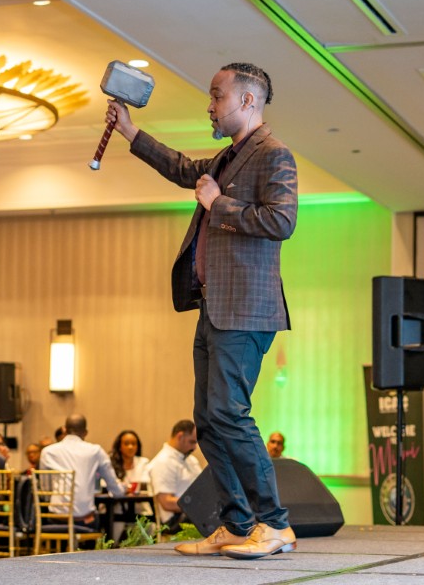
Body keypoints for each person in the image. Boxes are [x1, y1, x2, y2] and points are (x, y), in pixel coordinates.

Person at [107, 61, 297, 559]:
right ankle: (237, 524)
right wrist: (130, 131)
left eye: (217, 96)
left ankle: (275, 524)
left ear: (248, 101)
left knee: (229, 413)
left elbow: (281, 221)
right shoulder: (227, 157)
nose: (210, 105)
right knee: (208, 421)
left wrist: (218, 205)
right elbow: (182, 169)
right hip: (214, 307)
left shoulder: (273, 153)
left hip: (246, 310)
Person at [39, 414, 124, 526]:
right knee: (99, 519)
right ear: (86, 432)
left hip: (56, 518)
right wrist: (124, 488)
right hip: (83, 519)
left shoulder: (48, 452)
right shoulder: (95, 451)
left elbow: (45, 491)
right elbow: (116, 490)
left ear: (64, 429)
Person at [146, 419, 204, 534]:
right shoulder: (163, 462)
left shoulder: (191, 460)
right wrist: (201, 505)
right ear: (180, 436)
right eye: (192, 442)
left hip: (194, 513)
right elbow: (167, 502)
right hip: (176, 520)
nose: (195, 447)